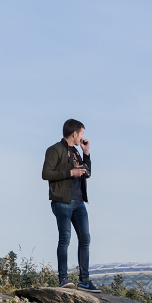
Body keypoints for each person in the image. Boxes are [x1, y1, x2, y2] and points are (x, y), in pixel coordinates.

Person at [42, 119, 100, 292]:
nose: (82, 136)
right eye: (81, 133)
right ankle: (63, 280)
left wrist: (87, 153)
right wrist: (70, 173)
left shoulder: (76, 152)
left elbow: (86, 174)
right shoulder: (54, 150)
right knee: (65, 239)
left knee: (85, 239)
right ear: (74, 134)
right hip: (62, 201)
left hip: (79, 202)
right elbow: (46, 173)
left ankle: (84, 281)